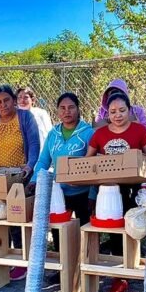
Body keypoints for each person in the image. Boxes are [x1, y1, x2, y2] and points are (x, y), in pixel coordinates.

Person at [87, 91, 146, 292]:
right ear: (107, 113)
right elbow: (87, 160)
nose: (117, 115)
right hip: (108, 189)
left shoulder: (139, 130)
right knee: (113, 227)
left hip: (133, 189)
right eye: (113, 111)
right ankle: (119, 276)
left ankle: (132, 269)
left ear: (130, 110)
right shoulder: (99, 134)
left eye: (122, 110)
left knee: (132, 226)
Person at [0, 84, 41, 281]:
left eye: (6, 100)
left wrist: (29, 167)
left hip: (20, 178)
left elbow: (34, 145)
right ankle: (0, 260)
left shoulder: (25, 117)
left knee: (16, 221)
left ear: (14, 100)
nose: (3, 105)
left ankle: (22, 262)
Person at [31, 92, 94, 225]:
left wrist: (93, 194)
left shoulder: (88, 132)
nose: (67, 111)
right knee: (59, 231)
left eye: (71, 107)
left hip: (83, 192)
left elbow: (95, 165)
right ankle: (60, 247)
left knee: (85, 231)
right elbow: (44, 161)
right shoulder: (53, 134)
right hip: (58, 192)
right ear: (58, 111)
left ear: (78, 109)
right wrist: (34, 179)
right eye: (62, 108)